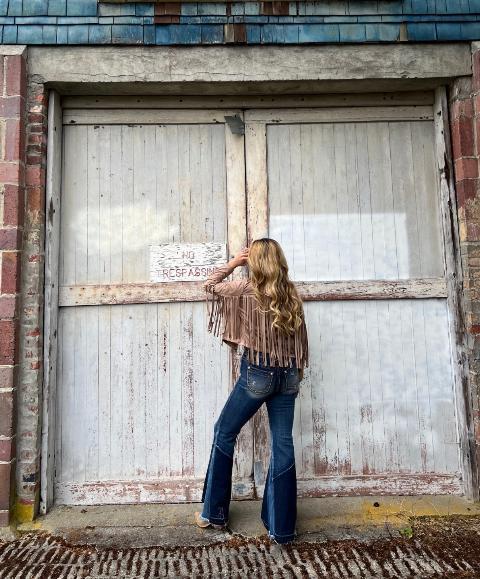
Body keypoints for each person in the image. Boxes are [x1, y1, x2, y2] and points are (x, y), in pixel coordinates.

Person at [193, 238, 309, 545]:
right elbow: (301, 342)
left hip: (257, 374)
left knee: (224, 431)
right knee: (282, 443)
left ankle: (212, 513)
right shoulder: (290, 293)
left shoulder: (247, 289)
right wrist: (294, 374)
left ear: (254, 262)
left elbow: (208, 286)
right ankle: (282, 530)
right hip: (288, 377)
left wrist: (233, 264)